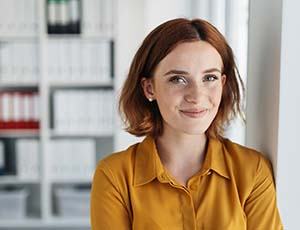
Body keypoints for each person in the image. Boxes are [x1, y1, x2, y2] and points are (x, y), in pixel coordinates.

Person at [90, 18, 283, 230]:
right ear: (149, 88)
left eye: (209, 78)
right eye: (178, 79)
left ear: (223, 83)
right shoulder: (114, 175)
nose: (197, 96)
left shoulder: (252, 170)